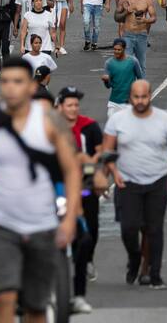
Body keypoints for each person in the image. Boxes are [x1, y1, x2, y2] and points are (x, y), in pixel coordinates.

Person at [0, 57, 80, 323]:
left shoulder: (50, 122)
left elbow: (71, 170)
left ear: (31, 87)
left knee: (36, 305)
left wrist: (69, 219)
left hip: (41, 225)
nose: (11, 88)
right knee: (5, 296)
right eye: (6, 82)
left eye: (18, 82)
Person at [102, 80, 167, 289]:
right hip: (127, 182)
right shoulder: (118, 120)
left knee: (153, 229)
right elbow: (107, 151)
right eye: (136, 97)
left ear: (150, 96)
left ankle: (153, 274)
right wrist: (108, 175)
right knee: (129, 228)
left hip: (157, 182)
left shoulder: (165, 120)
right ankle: (135, 259)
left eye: (144, 97)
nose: (140, 101)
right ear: (130, 97)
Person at [55, 87, 105, 314]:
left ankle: (79, 291)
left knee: (88, 234)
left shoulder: (90, 126)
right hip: (55, 191)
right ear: (60, 107)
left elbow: (98, 154)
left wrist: (94, 171)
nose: (73, 109)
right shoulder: (51, 129)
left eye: (76, 105)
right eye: (69, 105)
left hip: (83, 187)